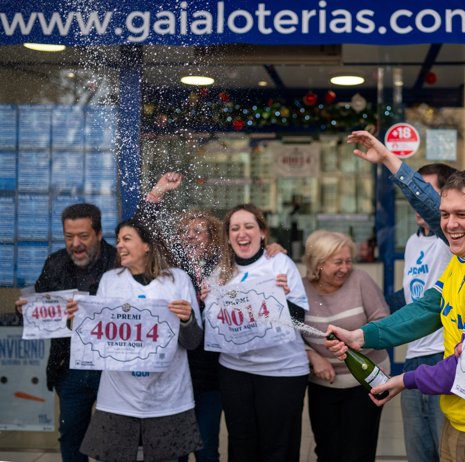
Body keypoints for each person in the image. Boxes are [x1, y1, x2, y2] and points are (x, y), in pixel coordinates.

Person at [327, 160, 465, 460]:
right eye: (445, 214)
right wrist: (361, 336)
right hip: (462, 417)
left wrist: (403, 380)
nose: (450, 224)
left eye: (461, 214)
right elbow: (429, 307)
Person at [140, 173, 286, 462]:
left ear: (213, 236)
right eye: (185, 232)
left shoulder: (227, 266)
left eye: (199, 231)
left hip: (214, 372)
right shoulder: (172, 266)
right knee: (177, 448)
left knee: (207, 449)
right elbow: (145, 229)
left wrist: (273, 251)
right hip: (177, 372)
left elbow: (256, 266)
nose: (191, 237)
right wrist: (157, 192)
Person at [74, 218, 203, 461]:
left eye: (127, 239)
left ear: (147, 245)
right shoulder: (110, 281)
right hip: (118, 398)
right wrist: (76, 320)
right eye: (118, 240)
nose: (119, 245)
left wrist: (186, 320)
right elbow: (98, 338)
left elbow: (193, 341)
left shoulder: (177, 280)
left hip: (167, 396)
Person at [14, 203, 117, 462]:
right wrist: (24, 310)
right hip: (68, 366)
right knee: (71, 434)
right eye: (69, 236)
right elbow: (39, 308)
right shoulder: (56, 262)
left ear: (99, 234)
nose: (75, 244)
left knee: (113, 438)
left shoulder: (118, 263)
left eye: (83, 236)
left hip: (111, 367)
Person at [211, 203, 309, 462]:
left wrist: (282, 298)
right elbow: (214, 325)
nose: (242, 233)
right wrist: (206, 301)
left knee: (279, 448)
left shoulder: (280, 263)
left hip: (281, 371)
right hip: (235, 371)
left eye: (249, 226)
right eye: (235, 228)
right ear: (228, 236)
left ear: (263, 232)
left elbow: (299, 320)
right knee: (241, 445)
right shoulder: (220, 272)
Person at [301, 230, 390, 462]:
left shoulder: (360, 280)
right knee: (327, 451)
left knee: (358, 452)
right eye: (338, 262)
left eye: (348, 261)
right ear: (318, 264)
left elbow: (383, 323)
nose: (345, 268)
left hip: (365, 382)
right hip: (322, 384)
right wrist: (312, 355)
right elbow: (291, 333)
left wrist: (356, 342)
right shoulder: (301, 289)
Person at [389, 163, 456, 462]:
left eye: (426, 191)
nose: (417, 198)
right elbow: (410, 297)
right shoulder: (414, 241)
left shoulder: (451, 241)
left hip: (444, 356)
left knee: (446, 451)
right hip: (413, 359)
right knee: (418, 453)